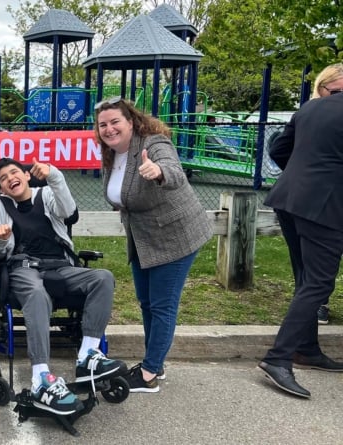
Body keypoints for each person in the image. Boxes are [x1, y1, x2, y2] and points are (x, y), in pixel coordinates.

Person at [0, 157, 126, 415]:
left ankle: (88, 356)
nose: (9, 179)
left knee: (103, 277)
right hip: (24, 269)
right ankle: (41, 377)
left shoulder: (48, 194)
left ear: (27, 175)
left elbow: (68, 211)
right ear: (2, 187)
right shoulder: (2, 206)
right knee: (38, 295)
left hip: (60, 266)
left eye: (14, 173)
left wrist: (55, 176)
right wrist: (1, 240)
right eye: (3, 179)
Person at [94, 97, 213, 393]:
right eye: (103, 125)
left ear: (131, 122)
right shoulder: (111, 153)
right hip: (143, 239)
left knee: (162, 305)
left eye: (114, 122)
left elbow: (172, 170)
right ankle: (154, 362)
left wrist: (158, 172)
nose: (109, 129)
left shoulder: (154, 143)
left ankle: (149, 373)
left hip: (175, 237)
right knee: (146, 302)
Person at [256, 79, 343, 398]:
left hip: (289, 199)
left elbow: (279, 148)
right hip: (325, 207)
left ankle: (306, 350)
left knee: (306, 279)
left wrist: (302, 175)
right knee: (319, 283)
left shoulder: (310, 107)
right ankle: (277, 358)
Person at [307, 63, 343, 324]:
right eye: (337, 92)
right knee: (318, 266)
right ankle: (317, 303)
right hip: (321, 198)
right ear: (321, 88)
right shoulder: (310, 113)